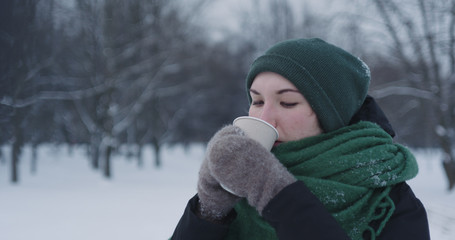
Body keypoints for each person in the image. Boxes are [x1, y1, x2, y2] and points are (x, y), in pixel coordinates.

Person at [170, 38, 430, 240]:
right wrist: (208, 210)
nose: (265, 118)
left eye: (287, 102)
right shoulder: (239, 185)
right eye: (257, 101)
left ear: (333, 114)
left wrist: (274, 192)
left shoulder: (390, 202)